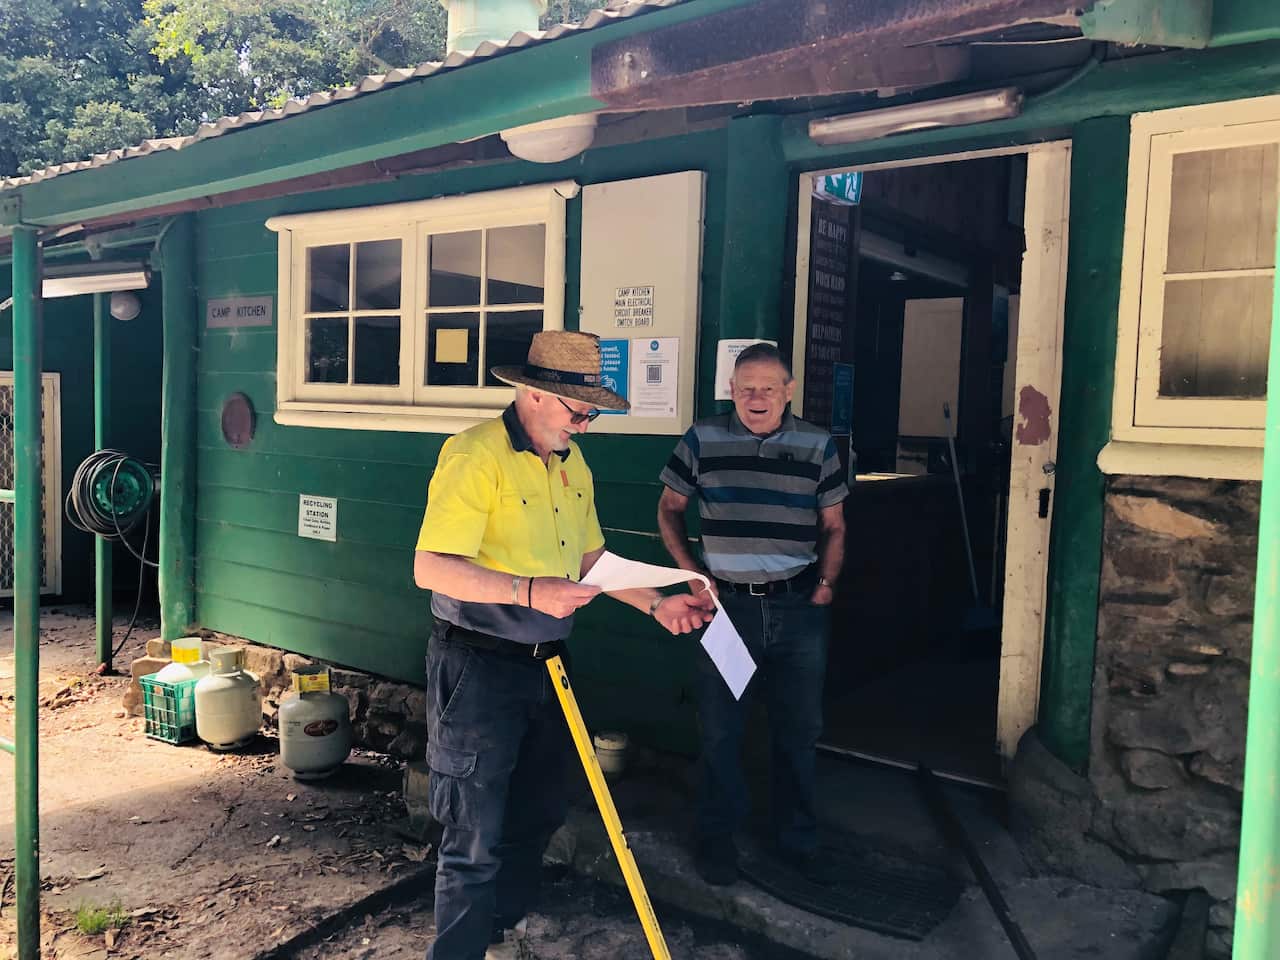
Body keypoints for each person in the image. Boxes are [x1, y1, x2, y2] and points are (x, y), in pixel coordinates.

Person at [414, 330, 714, 960]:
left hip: (549, 666)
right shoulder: (474, 455)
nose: (584, 425)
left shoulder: (573, 464)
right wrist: (527, 590)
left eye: (591, 415)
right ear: (532, 394)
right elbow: (431, 568)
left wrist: (657, 604)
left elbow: (591, 562)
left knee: (539, 811)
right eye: (578, 412)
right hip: (477, 664)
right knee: (472, 833)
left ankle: (498, 932)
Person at [657, 342, 849, 887]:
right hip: (727, 610)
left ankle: (796, 841)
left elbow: (835, 525)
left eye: (768, 388)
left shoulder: (817, 444)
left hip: (798, 608)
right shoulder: (702, 438)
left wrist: (826, 585)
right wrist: (693, 573)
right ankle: (717, 841)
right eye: (746, 389)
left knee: (798, 730)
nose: (756, 398)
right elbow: (669, 509)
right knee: (721, 731)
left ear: (789, 391)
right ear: (732, 391)